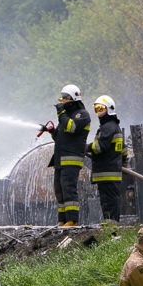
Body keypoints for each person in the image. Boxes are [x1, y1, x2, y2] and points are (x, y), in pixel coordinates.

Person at [43, 84, 91, 226]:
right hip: (60, 158)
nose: (62, 100)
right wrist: (51, 131)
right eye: (62, 98)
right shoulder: (66, 116)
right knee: (59, 189)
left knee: (69, 188)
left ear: (73, 98)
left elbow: (71, 128)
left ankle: (72, 219)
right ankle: (62, 219)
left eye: (65, 98)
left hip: (71, 158)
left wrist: (61, 114)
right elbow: (59, 137)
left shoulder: (82, 114)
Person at [87, 95, 127, 224]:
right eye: (96, 109)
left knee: (108, 201)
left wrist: (85, 147)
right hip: (111, 172)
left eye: (101, 109)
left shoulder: (107, 127)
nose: (98, 113)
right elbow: (124, 149)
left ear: (109, 109)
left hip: (106, 171)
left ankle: (111, 227)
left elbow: (99, 147)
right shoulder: (115, 127)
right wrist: (123, 161)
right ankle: (110, 224)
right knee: (109, 200)